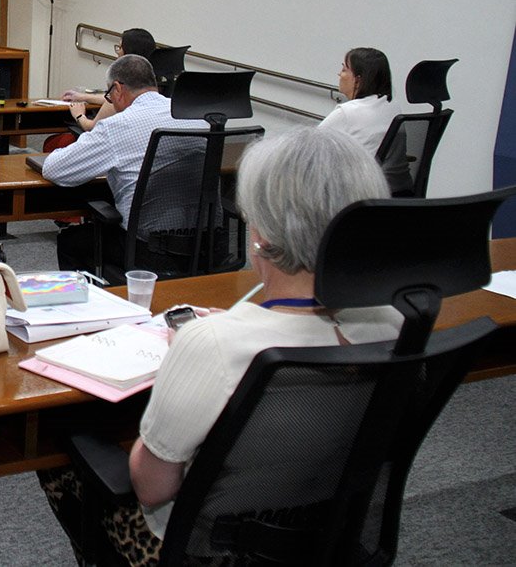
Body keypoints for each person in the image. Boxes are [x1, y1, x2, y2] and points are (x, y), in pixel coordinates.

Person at [39, 127, 402, 564]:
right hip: (327, 537)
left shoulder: (209, 344)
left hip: (206, 551)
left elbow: (152, 487)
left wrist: (187, 365)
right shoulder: (396, 324)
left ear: (262, 234)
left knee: (56, 449)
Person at [43, 54, 206, 272]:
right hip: (203, 246)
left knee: (71, 242)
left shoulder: (117, 126)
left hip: (146, 250)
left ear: (118, 89)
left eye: (109, 95)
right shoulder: (196, 118)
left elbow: (54, 169)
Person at [318, 47, 411, 194]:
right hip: (395, 193)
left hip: (359, 195)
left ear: (358, 80)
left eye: (344, 69)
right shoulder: (392, 107)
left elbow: (308, 149)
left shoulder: (348, 112)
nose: (339, 74)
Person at [61, 28, 158, 132]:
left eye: (120, 47)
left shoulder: (124, 83)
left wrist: (79, 115)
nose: (118, 52)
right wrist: (83, 97)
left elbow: (92, 127)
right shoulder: (152, 81)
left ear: (128, 52)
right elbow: (112, 101)